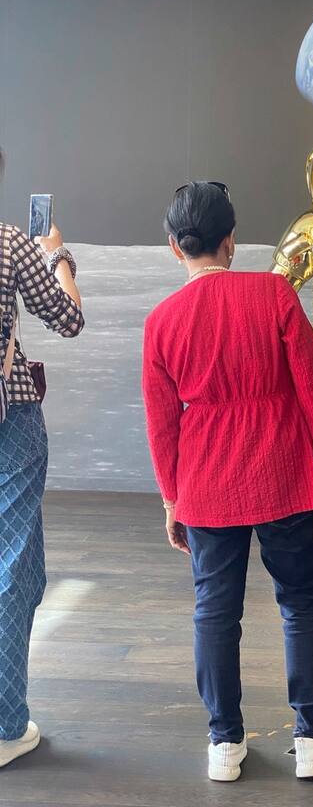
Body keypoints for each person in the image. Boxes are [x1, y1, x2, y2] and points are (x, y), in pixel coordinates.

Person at [142, 182, 313, 782]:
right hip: (282, 474)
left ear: (174, 246)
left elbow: (162, 423)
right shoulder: (272, 292)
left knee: (213, 612)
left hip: (205, 481)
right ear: (231, 240)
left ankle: (224, 746)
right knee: (301, 603)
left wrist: (173, 498)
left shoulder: (161, 320)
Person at [0, 223, 83, 768]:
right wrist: (58, 256)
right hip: (11, 418)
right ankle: (5, 725)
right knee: (12, 563)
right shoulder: (10, 242)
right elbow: (68, 318)